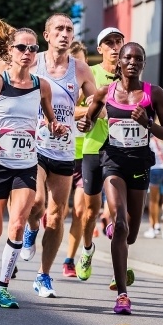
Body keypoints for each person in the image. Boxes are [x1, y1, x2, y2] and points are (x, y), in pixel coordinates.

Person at [0, 19, 66, 309]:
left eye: (33, 49)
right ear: (10, 50)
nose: (28, 53)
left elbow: (49, 119)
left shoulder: (41, 86)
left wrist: (56, 126)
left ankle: (2, 288)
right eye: (22, 47)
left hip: (25, 164)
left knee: (19, 223)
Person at [77, 42, 163, 315]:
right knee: (119, 223)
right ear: (118, 62)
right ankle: (122, 295)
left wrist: (148, 124)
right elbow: (89, 120)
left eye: (138, 58)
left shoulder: (153, 94)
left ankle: (118, 231)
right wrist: (85, 124)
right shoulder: (105, 92)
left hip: (140, 164)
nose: (132, 62)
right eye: (127, 58)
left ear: (143, 64)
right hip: (112, 161)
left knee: (129, 233)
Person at [19, 13, 97, 298]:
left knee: (56, 216)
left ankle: (43, 275)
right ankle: (30, 229)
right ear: (47, 34)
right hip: (32, 146)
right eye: (59, 29)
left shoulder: (81, 70)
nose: (65, 34)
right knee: (37, 202)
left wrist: (89, 118)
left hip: (64, 150)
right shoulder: (32, 61)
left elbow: (95, 101)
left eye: (69, 29)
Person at [75, 27, 125, 282]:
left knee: (117, 211)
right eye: (109, 43)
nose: (115, 47)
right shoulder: (90, 74)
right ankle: (86, 249)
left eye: (118, 42)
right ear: (100, 49)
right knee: (89, 211)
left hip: (121, 152)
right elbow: (72, 110)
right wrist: (94, 112)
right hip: (93, 148)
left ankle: (119, 268)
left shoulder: (130, 75)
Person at [63, 41, 90, 277]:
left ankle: (69, 259)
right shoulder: (62, 86)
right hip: (60, 153)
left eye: (82, 61)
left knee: (80, 211)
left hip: (84, 155)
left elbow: (99, 108)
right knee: (57, 211)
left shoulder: (90, 82)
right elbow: (64, 109)